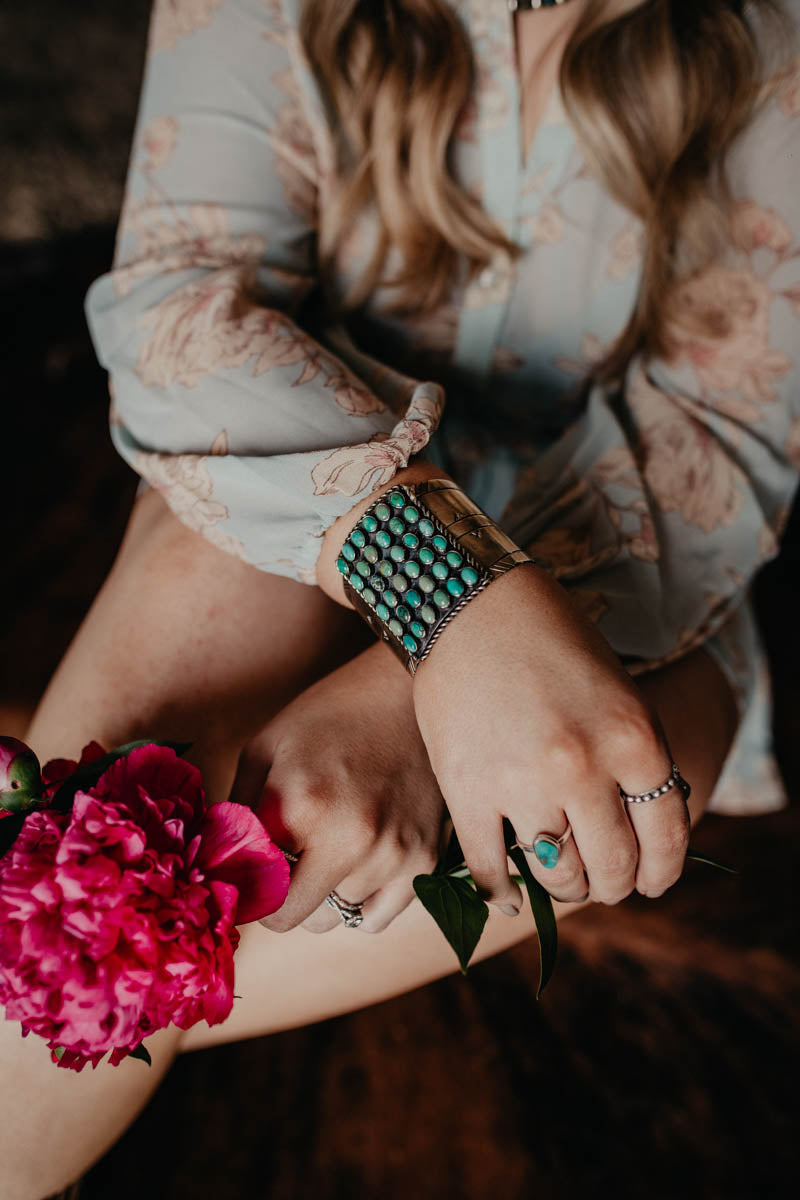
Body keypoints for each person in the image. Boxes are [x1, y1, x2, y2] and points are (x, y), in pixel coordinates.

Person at [3, 0, 799, 1195]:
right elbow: (181, 308)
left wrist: (416, 700)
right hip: (295, 475)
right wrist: (439, 592)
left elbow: (711, 446)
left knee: (627, 773)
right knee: (197, 566)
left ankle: (82, 969)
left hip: (624, 560)